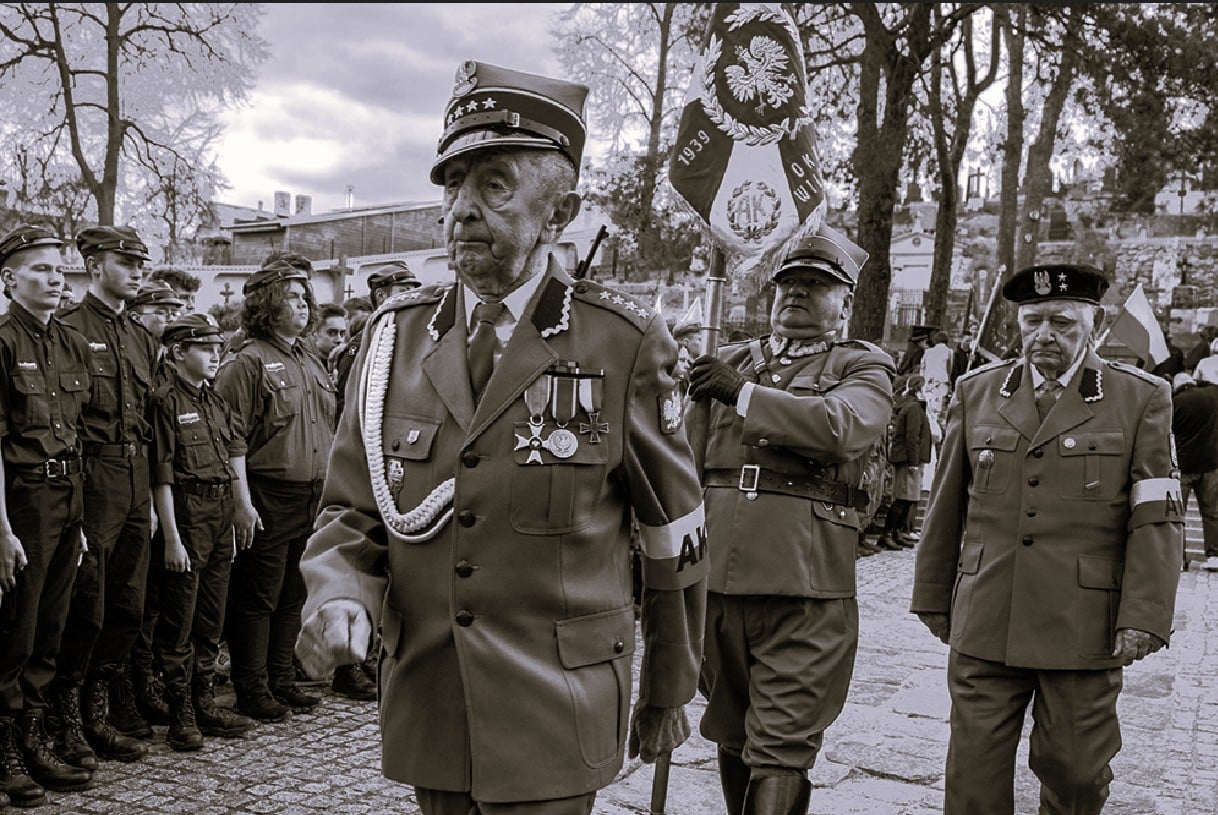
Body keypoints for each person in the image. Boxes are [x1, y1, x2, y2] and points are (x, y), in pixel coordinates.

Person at [294, 59, 708, 815]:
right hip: (432, 699)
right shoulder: (395, 339)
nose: (461, 209)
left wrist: (670, 685)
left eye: (494, 185)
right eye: (453, 183)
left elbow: (672, 533)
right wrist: (339, 594)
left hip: (560, 705)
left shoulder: (623, 343)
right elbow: (350, 512)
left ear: (560, 210)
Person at [911, 263, 1183, 815]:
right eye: (1032, 322)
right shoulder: (977, 392)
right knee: (973, 780)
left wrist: (1145, 614)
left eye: (1061, 322)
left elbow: (1156, 517)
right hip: (987, 614)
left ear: (1093, 324)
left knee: (1077, 774)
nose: (1044, 336)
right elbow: (945, 506)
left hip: (1083, 625)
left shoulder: (1140, 399)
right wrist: (933, 595)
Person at [684, 222, 895, 815]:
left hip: (804, 584)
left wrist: (742, 396)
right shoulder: (726, 360)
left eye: (816, 285)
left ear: (845, 302)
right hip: (714, 582)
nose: (796, 294)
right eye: (787, 284)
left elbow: (841, 427)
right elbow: (682, 458)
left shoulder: (864, 368)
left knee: (780, 744)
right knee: (730, 728)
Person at [51, 225, 159, 770]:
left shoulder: (140, 335)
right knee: (85, 606)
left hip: (135, 474)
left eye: (141, 262)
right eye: (126, 261)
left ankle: (101, 710)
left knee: (127, 604)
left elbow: (150, 419)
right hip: (92, 478)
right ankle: (66, 719)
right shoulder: (68, 329)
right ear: (94, 266)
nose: (138, 270)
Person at [213, 259, 336, 722]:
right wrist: (241, 502)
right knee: (258, 595)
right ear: (267, 305)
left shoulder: (309, 359)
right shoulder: (247, 362)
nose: (303, 305)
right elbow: (231, 437)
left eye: (306, 298)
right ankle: (252, 686)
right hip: (266, 493)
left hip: (310, 495)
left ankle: (282, 679)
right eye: (292, 297)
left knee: (292, 593)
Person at [0, 225, 94, 806]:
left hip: (68, 496)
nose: (55, 278)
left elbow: (78, 434)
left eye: (60, 269)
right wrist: (1, 529)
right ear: (9, 281)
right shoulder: (3, 342)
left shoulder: (71, 343)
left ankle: (34, 739)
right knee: (16, 628)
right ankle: (5, 748)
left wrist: (79, 519)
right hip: (23, 502)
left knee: (50, 628)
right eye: (40, 269)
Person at [147, 314, 255, 750]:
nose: (216, 355)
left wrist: (237, 512)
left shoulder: (215, 402)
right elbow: (162, 476)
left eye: (217, 347)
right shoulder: (164, 402)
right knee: (180, 619)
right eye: (205, 348)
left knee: (211, 618)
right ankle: (181, 713)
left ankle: (204, 700)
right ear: (177, 353)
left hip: (218, 512)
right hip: (187, 514)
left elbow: (232, 455)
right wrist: (171, 538)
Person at [112, 279, 186, 739]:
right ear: (140, 312)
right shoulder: (137, 357)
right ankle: (126, 689)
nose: (170, 317)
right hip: (132, 489)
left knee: (152, 600)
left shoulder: (166, 365)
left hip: (159, 494)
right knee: (129, 600)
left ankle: (145, 683)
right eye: (163, 309)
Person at [876, 374, 931, 551]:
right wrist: (914, 462)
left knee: (908, 499)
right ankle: (887, 534)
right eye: (927, 387)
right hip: (908, 459)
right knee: (902, 499)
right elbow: (911, 436)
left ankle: (897, 533)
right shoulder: (913, 408)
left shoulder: (913, 406)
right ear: (919, 388)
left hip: (909, 458)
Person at [1171, 372, 1218, 571]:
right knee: (1211, 514)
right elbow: (1210, 383)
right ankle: (1214, 555)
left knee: (1177, 516)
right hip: (1210, 464)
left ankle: (1179, 559)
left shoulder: (1175, 402)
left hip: (1184, 466)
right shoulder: (1213, 395)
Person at [313, 303, 347, 372]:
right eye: (332, 333)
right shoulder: (308, 365)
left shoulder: (347, 364)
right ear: (315, 334)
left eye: (342, 333)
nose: (339, 340)